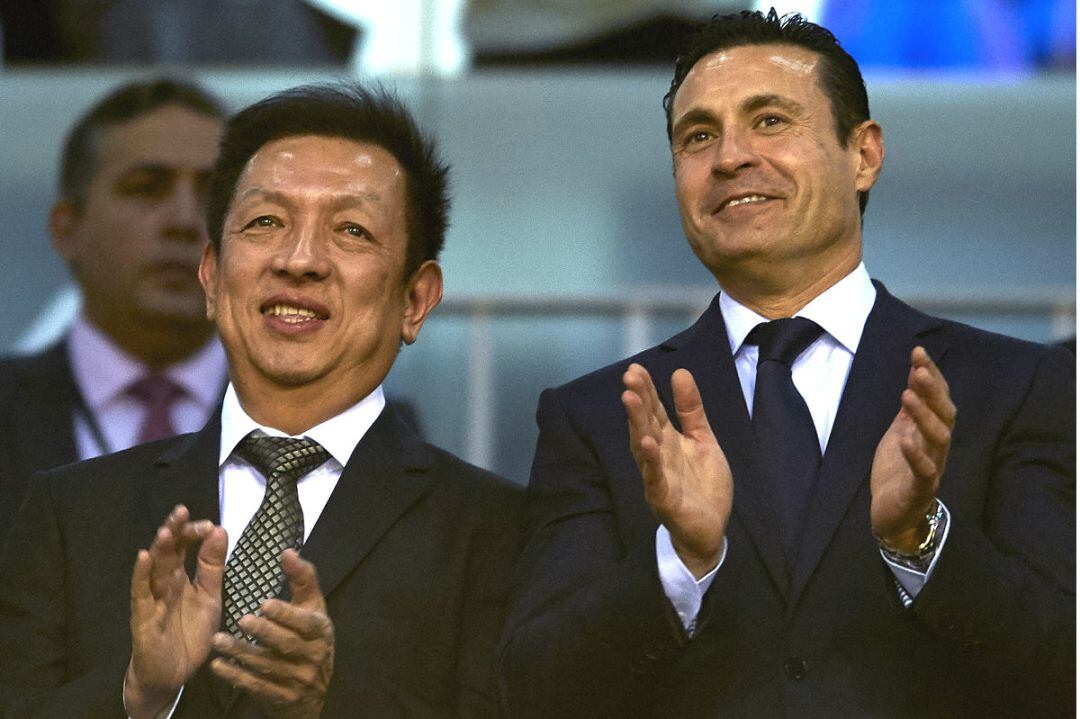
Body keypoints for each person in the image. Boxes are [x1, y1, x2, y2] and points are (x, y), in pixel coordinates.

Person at [499, 9, 1074, 718]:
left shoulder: (1015, 387)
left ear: (863, 153)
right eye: (698, 135)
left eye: (770, 120)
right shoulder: (598, 414)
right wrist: (679, 563)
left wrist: (921, 537)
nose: (730, 156)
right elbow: (532, 688)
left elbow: (1064, 670)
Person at [0, 83, 521, 718]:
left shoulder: (500, 531)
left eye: (351, 230)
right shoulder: (69, 512)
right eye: (265, 222)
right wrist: (140, 695)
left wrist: (328, 704)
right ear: (212, 276)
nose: (299, 261)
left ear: (416, 299)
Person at [0, 78, 230, 547]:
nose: (186, 221)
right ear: (68, 230)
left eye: (216, 194)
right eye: (146, 188)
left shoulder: (340, 426)